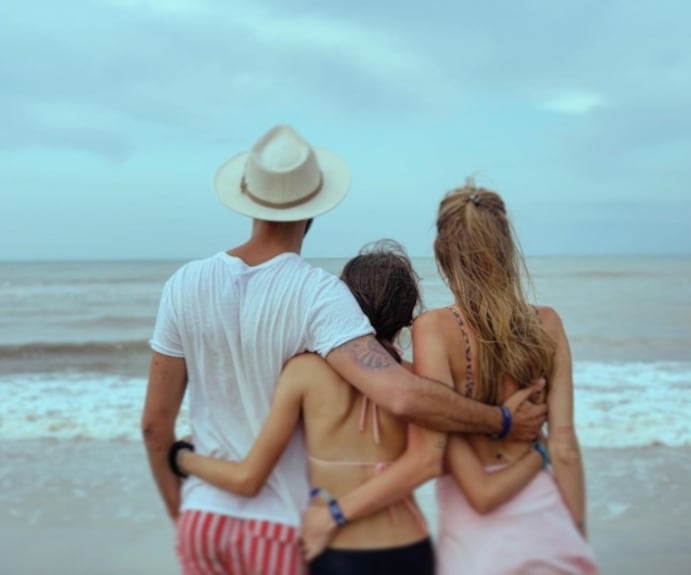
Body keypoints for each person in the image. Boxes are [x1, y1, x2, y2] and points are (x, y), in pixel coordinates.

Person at [140, 125, 547, 575]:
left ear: (247, 199)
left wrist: (184, 514)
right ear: (313, 210)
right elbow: (403, 397)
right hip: (278, 526)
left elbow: (154, 427)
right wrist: (501, 420)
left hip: (203, 519)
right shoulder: (317, 294)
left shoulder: (183, 284)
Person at [171, 240, 443, 574]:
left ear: (343, 304)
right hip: (408, 547)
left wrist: (183, 457)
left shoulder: (304, 372)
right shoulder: (417, 386)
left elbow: (249, 474)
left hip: (336, 548)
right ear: (407, 316)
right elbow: (427, 461)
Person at [419, 181, 600, 574]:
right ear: (506, 248)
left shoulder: (432, 330)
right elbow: (565, 444)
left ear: (442, 253)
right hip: (548, 525)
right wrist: (577, 534)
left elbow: (448, 440)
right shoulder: (548, 324)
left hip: (474, 544)